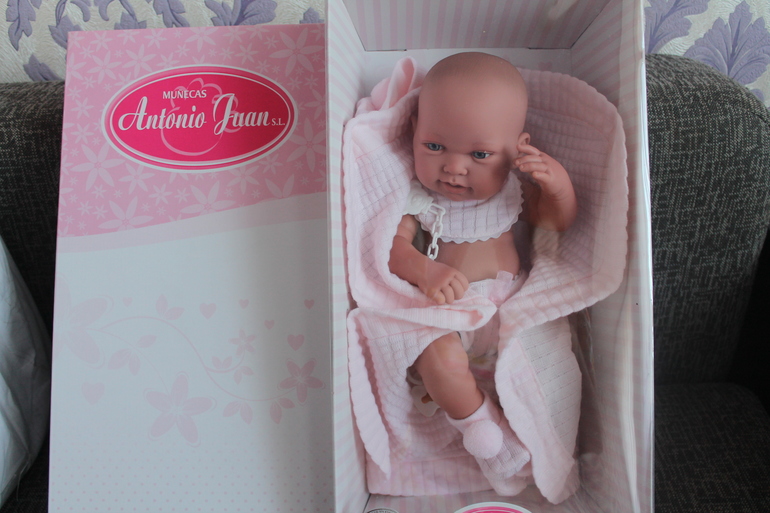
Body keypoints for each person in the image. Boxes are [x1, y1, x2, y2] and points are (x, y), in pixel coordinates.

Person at [388, 52, 577, 489]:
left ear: (516, 149)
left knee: (541, 375)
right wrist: (425, 270)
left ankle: (539, 440)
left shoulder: (515, 191)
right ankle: (484, 432)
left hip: (510, 312)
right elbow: (394, 251)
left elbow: (555, 224)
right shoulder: (417, 197)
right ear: (414, 130)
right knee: (437, 359)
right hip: (448, 314)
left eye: (480, 154)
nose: (455, 167)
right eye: (434, 146)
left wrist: (558, 187)